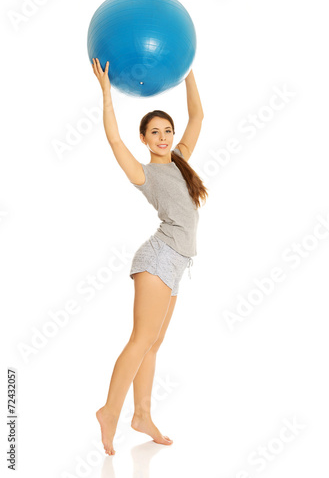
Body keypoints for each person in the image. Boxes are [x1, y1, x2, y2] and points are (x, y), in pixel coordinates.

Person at [91, 57, 208, 456]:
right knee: (141, 339)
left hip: (176, 265)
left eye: (167, 131)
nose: (163, 136)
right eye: (154, 132)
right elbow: (113, 141)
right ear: (144, 138)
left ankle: (142, 415)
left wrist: (186, 68)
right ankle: (110, 411)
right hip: (157, 260)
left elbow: (198, 114)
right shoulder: (145, 174)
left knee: (154, 343)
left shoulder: (180, 161)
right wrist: (107, 93)